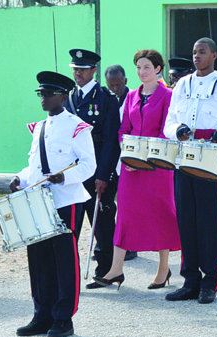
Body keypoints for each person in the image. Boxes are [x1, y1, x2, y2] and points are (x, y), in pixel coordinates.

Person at [163, 37, 217, 304]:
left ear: (214, 55)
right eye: (194, 52)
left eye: (202, 52)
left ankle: (210, 279)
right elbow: (169, 122)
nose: (196, 56)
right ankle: (190, 280)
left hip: (210, 157)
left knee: (209, 221)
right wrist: (176, 131)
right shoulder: (183, 84)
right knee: (186, 219)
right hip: (183, 156)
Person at [11, 71, 96, 337]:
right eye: (41, 94)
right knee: (38, 258)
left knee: (63, 260)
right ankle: (42, 314)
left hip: (65, 199)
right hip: (38, 200)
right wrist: (20, 178)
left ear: (63, 95)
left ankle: (63, 318)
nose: (43, 99)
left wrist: (64, 177)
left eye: (48, 94)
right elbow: (34, 165)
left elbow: (88, 165)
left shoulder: (76, 126)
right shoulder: (40, 127)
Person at [93, 50, 181, 289]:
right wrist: (129, 153)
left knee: (161, 214)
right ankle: (116, 269)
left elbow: (166, 130)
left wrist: (146, 156)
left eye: (146, 67)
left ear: (158, 69)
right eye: (139, 68)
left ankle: (163, 269)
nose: (142, 72)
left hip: (157, 166)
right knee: (125, 215)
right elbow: (124, 129)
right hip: (131, 167)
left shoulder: (167, 95)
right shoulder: (131, 96)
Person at [64, 49, 122, 288]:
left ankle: (108, 271)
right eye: (75, 69)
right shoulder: (68, 98)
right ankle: (70, 273)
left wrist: (104, 175)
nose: (78, 73)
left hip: (98, 172)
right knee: (70, 227)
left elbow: (111, 141)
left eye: (83, 69)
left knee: (103, 225)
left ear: (93, 71)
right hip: (74, 173)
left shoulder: (105, 98)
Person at [104, 63, 137, 262]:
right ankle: (108, 243)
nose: (115, 89)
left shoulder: (134, 98)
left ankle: (130, 245)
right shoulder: (105, 99)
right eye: (111, 85)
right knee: (108, 204)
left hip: (128, 159)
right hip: (110, 160)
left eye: (118, 84)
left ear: (125, 80)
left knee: (127, 206)